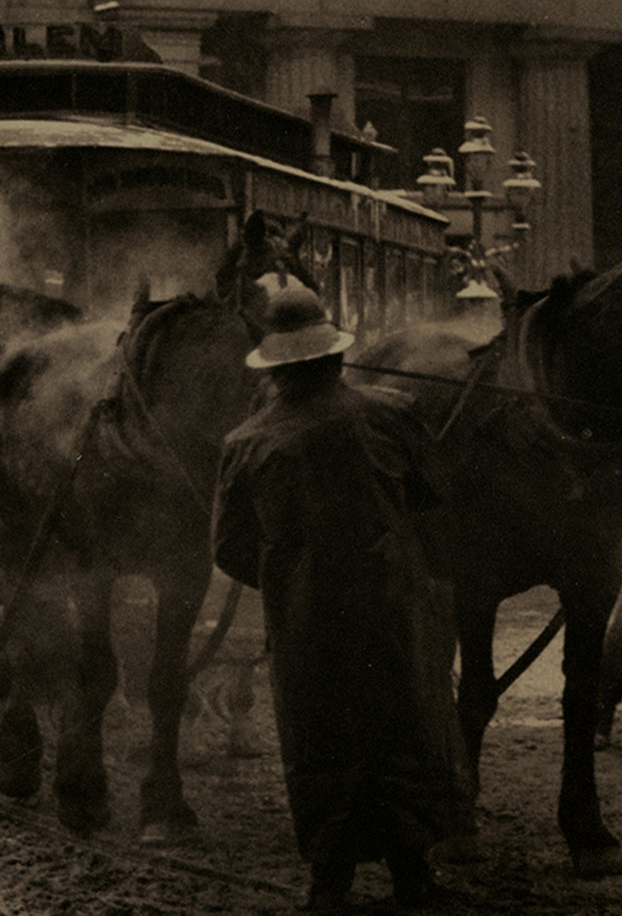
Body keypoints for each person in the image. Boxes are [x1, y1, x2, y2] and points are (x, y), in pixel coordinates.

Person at [212, 284, 474, 912]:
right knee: (403, 729)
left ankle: (330, 884)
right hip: (393, 610)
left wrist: (291, 576)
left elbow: (229, 548)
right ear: (333, 357)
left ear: (275, 369)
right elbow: (434, 496)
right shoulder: (392, 414)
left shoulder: (244, 444)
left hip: (306, 623)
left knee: (320, 738)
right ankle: (414, 877)